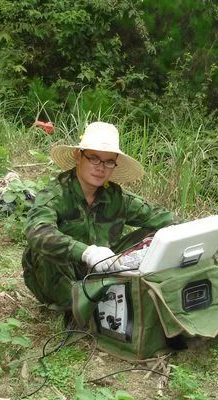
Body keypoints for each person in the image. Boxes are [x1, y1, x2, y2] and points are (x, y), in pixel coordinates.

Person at [22, 122, 177, 310]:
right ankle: (76, 307)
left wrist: (197, 232)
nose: (101, 168)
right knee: (43, 246)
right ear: (78, 156)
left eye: (108, 161)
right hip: (60, 277)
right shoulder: (56, 194)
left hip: (102, 270)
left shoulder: (116, 197)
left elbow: (162, 217)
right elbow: (36, 231)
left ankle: (115, 295)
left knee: (157, 234)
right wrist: (86, 253)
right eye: (94, 158)